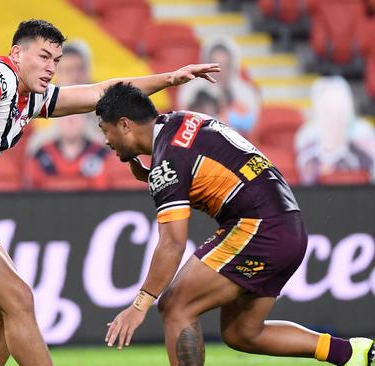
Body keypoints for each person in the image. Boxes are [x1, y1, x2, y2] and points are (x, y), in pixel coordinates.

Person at [0, 19, 221, 366]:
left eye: (56, 60)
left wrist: (170, 78)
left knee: (11, 307)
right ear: (17, 54)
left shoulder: (30, 98)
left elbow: (101, 93)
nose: (51, 68)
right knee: (17, 300)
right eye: (44, 57)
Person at [97, 82, 375, 366]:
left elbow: (172, 244)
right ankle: (352, 354)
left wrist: (139, 305)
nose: (106, 140)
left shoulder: (168, 163)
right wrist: (152, 174)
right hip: (288, 225)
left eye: (105, 130)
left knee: (175, 305)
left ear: (125, 125)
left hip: (258, 229)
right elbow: (204, 166)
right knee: (242, 333)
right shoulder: (181, 120)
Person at [295, 76, 375, 185]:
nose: (334, 117)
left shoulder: (364, 135)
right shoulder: (306, 137)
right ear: (317, 111)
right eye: (328, 110)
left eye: (339, 109)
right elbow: (306, 180)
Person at [27, 113, 110, 191]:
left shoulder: (100, 153)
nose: (70, 121)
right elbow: (34, 193)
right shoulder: (42, 154)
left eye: (77, 115)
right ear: (57, 120)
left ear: (85, 120)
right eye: (65, 115)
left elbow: (103, 193)